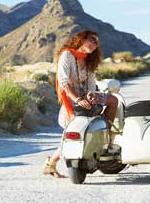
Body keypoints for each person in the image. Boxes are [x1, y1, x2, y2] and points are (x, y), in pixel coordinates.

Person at [43, 30, 118, 178]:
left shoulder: (90, 59)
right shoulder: (67, 55)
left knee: (113, 100)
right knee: (74, 134)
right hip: (71, 100)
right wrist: (77, 99)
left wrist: (91, 94)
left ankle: (106, 135)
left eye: (97, 42)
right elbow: (64, 82)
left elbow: (91, 82)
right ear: (81, 40)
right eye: (91, 40)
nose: (94, 44)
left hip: (86, 97)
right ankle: (50, 163)